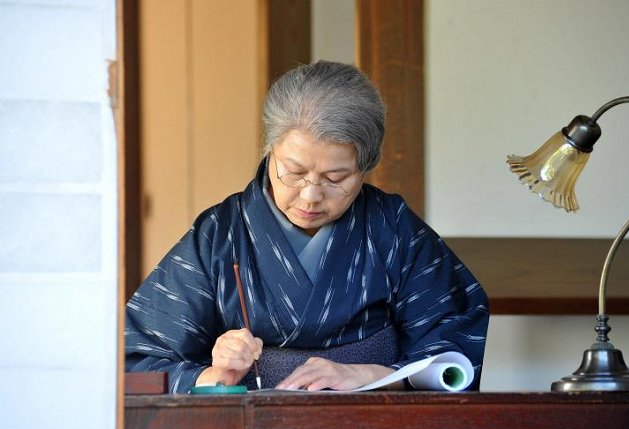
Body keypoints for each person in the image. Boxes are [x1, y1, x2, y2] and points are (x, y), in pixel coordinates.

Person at [125, 60, 489, 393]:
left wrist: (371, 375)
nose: (311, 196)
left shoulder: (392, 229)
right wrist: (214, 376)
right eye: (294, 172)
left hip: (374, 426)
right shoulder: (219, 235)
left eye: (336, 177)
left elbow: (452, 348)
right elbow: (137, 363)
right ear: (269, 150)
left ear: (366, 166)